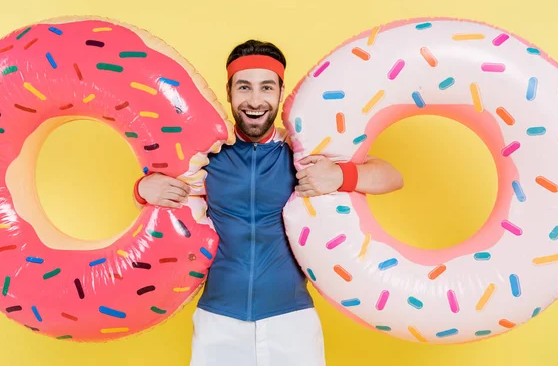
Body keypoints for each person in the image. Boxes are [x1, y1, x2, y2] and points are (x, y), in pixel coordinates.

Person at [134, 40, 404, 366]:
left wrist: (341, 176)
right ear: (229, 91)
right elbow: (163, 204)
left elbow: (391, 176)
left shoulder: (303, 152)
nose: (255, 100)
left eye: (266, 87)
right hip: (217, 322)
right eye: (244, 87)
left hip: (292, 323)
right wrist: (142, 188)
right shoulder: (205, 155)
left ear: (280, 92)